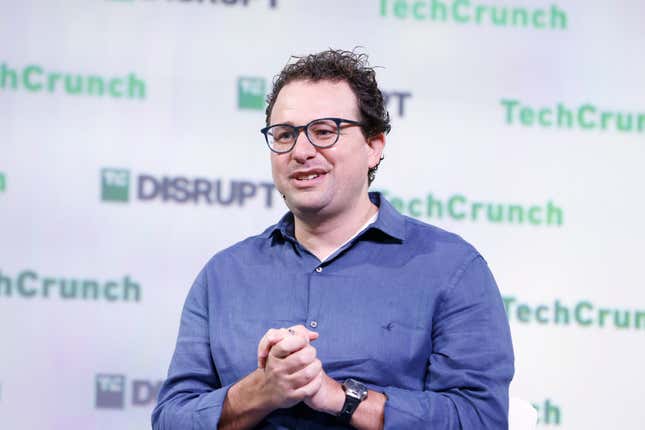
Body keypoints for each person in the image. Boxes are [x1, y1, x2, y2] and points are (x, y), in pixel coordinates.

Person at [152, 49, 514, 429]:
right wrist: (261, 390)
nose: (301, 151)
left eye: (324, 131)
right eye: (285, 134)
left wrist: (338, 396)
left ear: (374, 146)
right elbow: (170, 420)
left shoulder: (451, 267)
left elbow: (479, 418)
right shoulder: (223, 275)